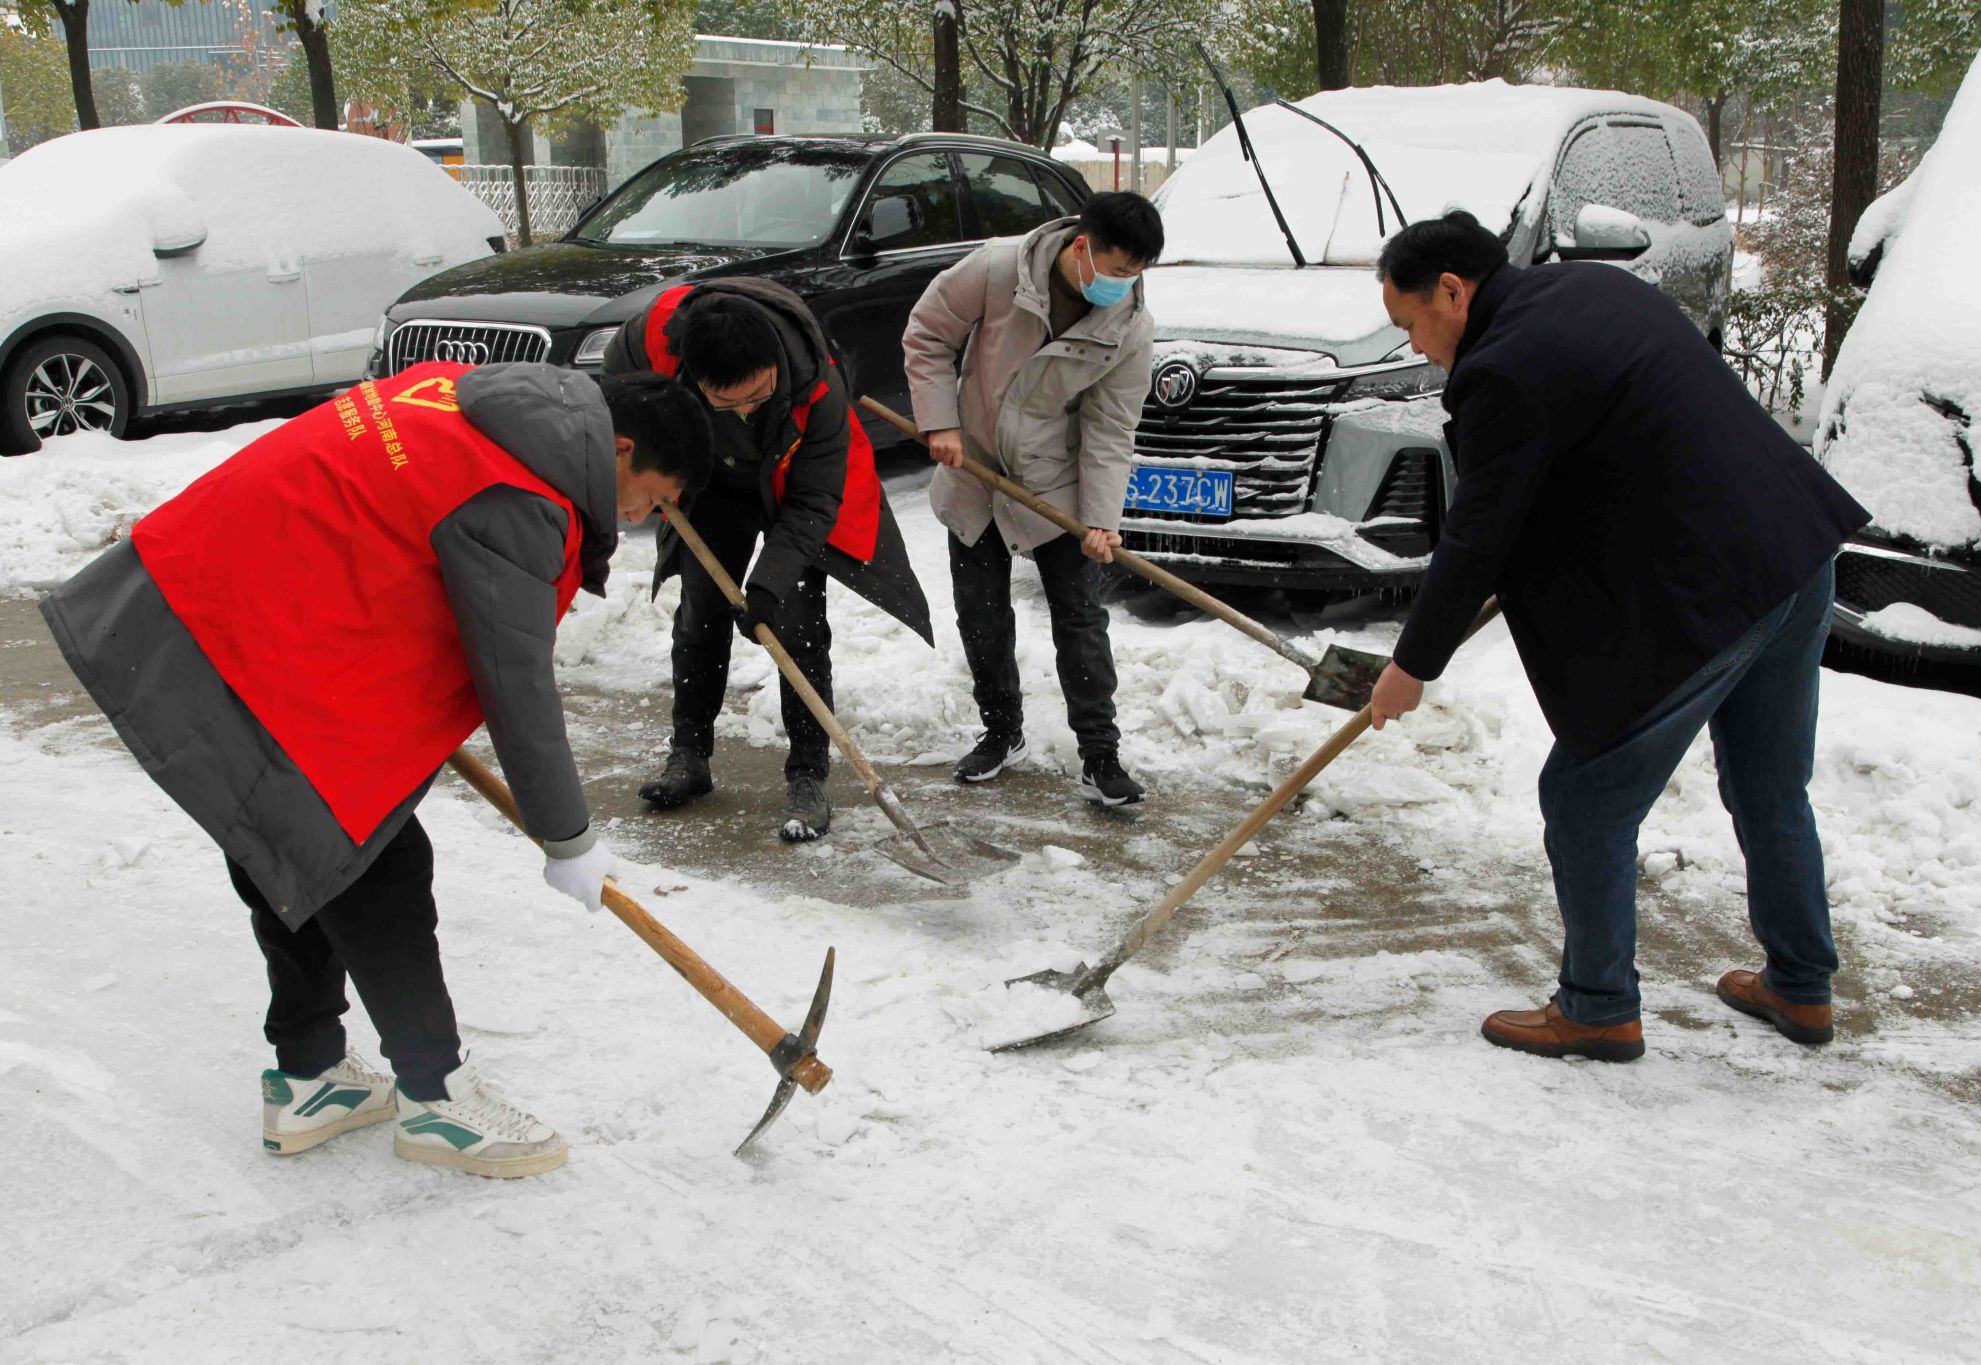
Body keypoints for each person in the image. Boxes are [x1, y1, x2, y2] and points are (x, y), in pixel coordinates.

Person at [40, 362, 711, 1175]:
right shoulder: (522, 492)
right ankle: (437, 1100)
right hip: (252, 640)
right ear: (623, 448)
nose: (647, 516)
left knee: (292, 847)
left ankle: (310, 1074)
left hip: (195, 598)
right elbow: (517, 680)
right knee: (376, 861)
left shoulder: (470, 396)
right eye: (656, 494)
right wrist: (566, 836)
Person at [1366, 211, 1870, 1062]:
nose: (1416, 346)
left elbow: (1477, 537)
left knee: (1585, 796)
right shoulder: (1589, 287)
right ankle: (1801, 984)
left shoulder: (1503, 370)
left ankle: (1597, 1004)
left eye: (1411, 323)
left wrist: (1413, 665)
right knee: (1770, 786)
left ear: (1452, 292)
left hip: (1715, 587)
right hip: (1793, 547)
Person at [604, 278, 931, 841]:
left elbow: (814, 502)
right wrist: (651, 447)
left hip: (791, 485)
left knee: (797, 623)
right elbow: (617, 388)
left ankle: (808, 776)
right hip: (709, 480)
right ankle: (689, 755)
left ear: (774, 368)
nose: (746, 411)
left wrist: (766, 588)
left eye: (757, 397)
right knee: (700, 614)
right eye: (727, 403)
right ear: (694, 377)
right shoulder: (653, 339)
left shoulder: (817, 386)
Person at [903, 191, 1162, 806]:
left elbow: (1110, 426)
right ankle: (1002, 731)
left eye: (1137, 276)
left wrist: (1100, 519)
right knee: (981, 613)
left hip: (1055, 482)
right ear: (1082, 248)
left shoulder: (1128, 327)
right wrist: (939, 422)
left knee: (1080, 618)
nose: (1123, 286)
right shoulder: (998, 269)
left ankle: (1101, 755)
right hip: (974, 468)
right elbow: (928, 332)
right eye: (1118, 271)